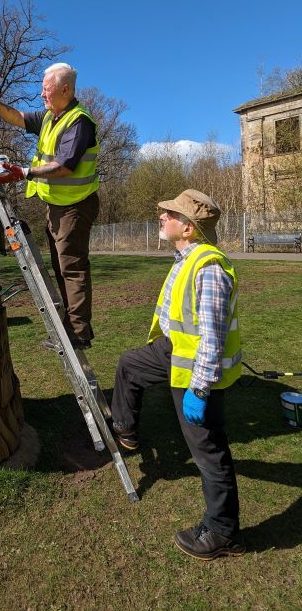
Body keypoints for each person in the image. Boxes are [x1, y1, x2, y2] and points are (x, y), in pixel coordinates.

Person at [111, 189, 245, 560]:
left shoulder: (209, 268)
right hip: (171, 351)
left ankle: (223, 532)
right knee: (129, 363)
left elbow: (213, 340)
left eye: (169, 214)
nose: (160, 216)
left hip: (194, 369)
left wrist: (199, 391)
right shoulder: (185, 257)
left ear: (187, 227)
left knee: (208, 451)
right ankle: (125, 428)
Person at [0, 63, 100, 349]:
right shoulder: (50, 118)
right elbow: (16, 117)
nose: (41, 94)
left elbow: (65, 166)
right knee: (61, 266)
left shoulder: (79, 122)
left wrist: (23, 173)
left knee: (72, 268)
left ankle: (79, 333)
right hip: (58, 206)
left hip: (75, 207)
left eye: (46, 88)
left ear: (65, 89)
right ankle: (72, 327)